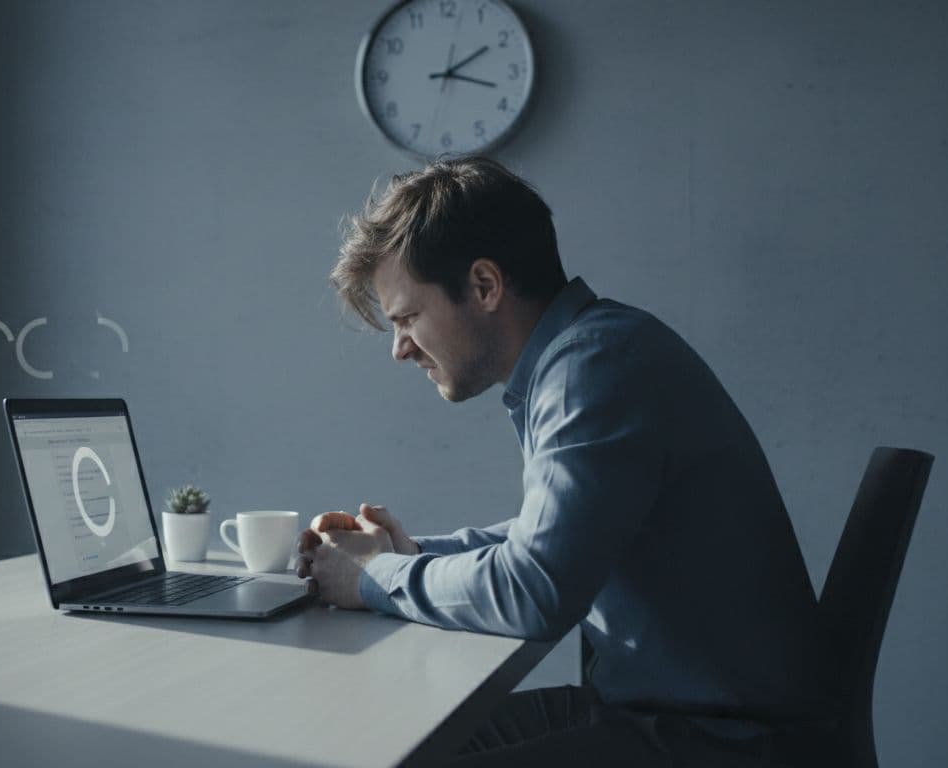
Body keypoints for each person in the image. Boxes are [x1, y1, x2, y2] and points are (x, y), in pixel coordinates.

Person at [297, 156, 837, 766]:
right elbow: (554, 541)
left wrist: (374, 579)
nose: (399, 350)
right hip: (660, 712)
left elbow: (536, 588)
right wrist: (412, 557)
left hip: (718, 740)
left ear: (484, 286)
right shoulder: (591, 352)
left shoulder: (594, 368)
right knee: (395, 745)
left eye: (407, 318)